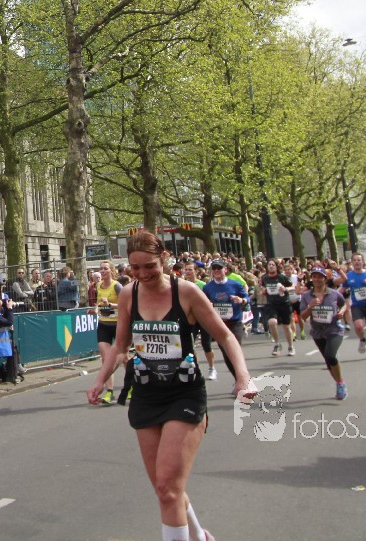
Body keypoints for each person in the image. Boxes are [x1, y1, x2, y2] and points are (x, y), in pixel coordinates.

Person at [88, 232, 254, 541]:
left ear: (164, 258)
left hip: (183, 394)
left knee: (168, 487)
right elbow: (120, 345)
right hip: (146, 394)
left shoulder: (187, 292)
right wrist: (100, 379)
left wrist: (242, 377)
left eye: (149, 266)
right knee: (165, 489)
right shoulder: (129, 294)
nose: (142, 274)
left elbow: (225, 335)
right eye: (135, 268)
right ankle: (199, 536)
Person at [299, 268, 351, 399]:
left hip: (334, 329)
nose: (317, 279)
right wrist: (310, 307)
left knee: (330, 355)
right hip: (318, 332)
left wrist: (341, 312)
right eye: (314, 277)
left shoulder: (334, 294)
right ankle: (339, 382)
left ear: (325, 279)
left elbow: (344, 304)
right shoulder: (306, 296)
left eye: (320, 277)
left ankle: (340, 383)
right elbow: (303, 316)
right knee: (328, 361)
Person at [200, 260, 249, 383]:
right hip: (219, 324)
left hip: (234, 322)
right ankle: (238, 379)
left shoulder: (235, 284)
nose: (216, 270)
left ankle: (242, 379)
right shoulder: (208, 287)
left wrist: (241, 300)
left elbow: (246, 298)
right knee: (226, 353)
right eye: (214, 268)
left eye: (219, 268)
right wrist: (208, 304)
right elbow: (204, 303)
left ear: (225, 270)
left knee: (235, 350)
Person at [340, 254, 366, 360]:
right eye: (354, 260)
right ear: (352, 262)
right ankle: (362, 339)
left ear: (363, 261)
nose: (357, 262)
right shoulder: (349, 276)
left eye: (359, 260)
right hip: (356, 305)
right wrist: (330, 296)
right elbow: (342, 289)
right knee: (358, 326)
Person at [92, 261, 123, 400]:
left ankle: (131, 385)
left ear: (111, 271)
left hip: (118, 325)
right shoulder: (98, 285)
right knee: (105, 358)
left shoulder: (117, 286)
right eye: (101, 268)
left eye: (105, 268)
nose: (103, 271)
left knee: (124, 358)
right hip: (103, 324)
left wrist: (110, 304)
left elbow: (125, 304)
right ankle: (109, 391)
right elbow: (99, 302)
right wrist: (95, 310)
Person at [260, 261, 295, 356]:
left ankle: (290, 346)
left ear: (276, 267)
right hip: (271, 304)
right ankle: (277, 344)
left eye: (273, 265)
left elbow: (292, 286)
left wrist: (285, 289)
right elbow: (263, 287)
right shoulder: (264, 278)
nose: (271, 266)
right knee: (272, 322)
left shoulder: (281, 277)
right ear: (267, 267)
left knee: (286, 326)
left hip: (284, 303)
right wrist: (263, 291)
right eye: (269, 265)